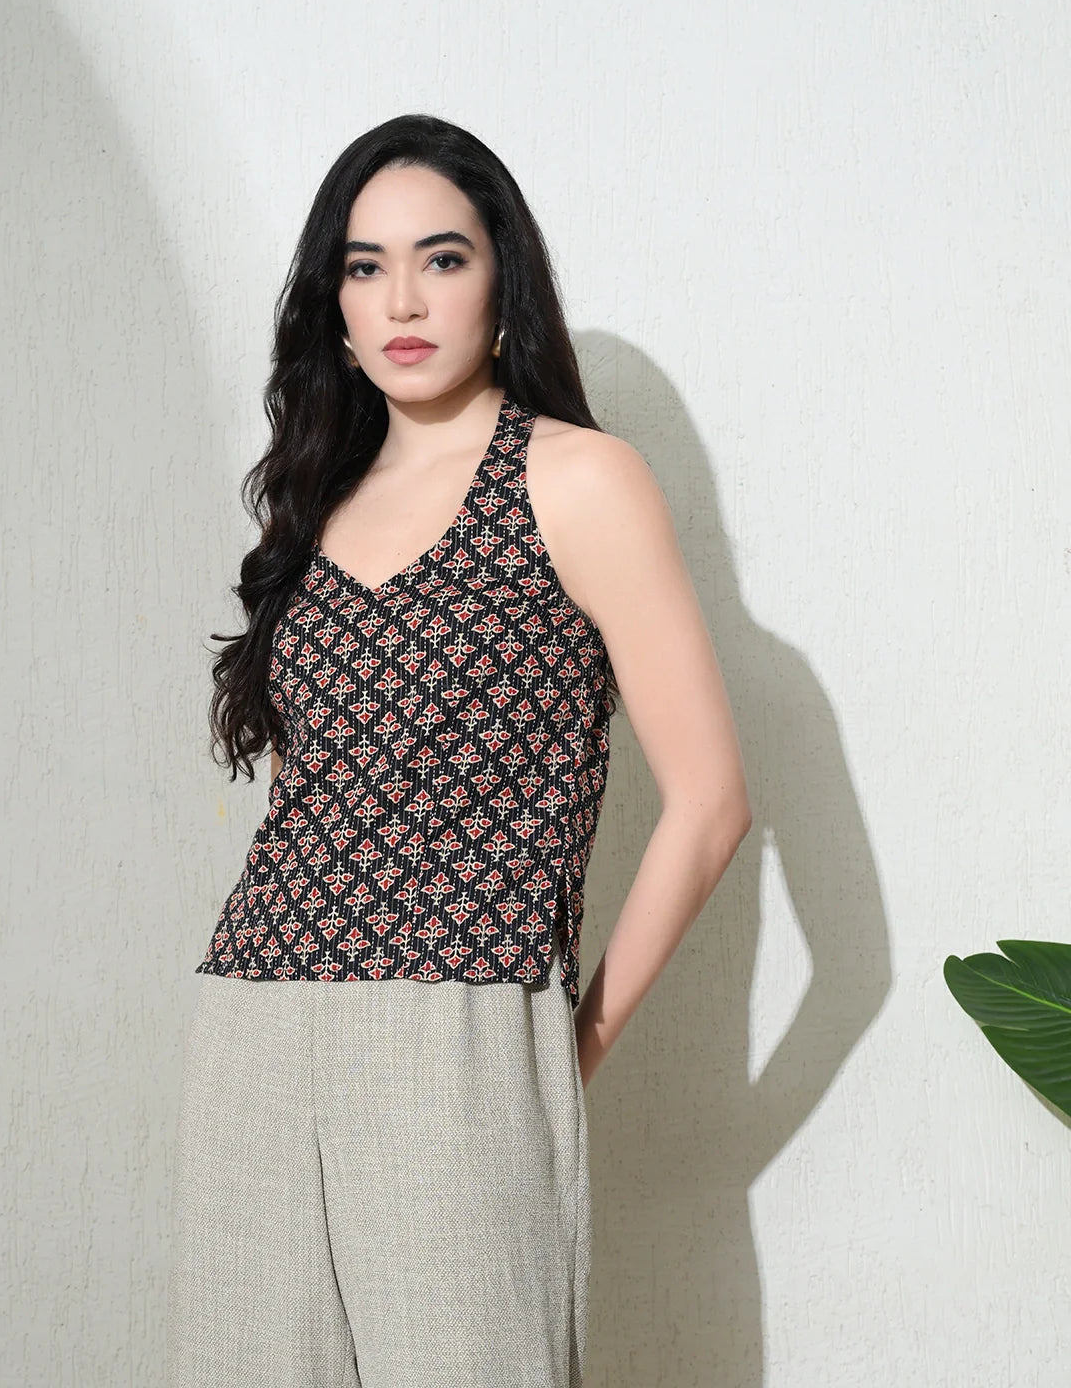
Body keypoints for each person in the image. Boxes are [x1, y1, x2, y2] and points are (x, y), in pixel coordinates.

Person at [167, 113, 752, 1388]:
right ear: (333, 306)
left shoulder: (578, 480)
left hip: (461, 1025)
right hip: (255, 1021)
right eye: (364, 267)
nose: (402, 300)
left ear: (502, 283)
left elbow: (711, 805)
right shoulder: (311, 505)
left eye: (441, 258)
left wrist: (566, 1044)